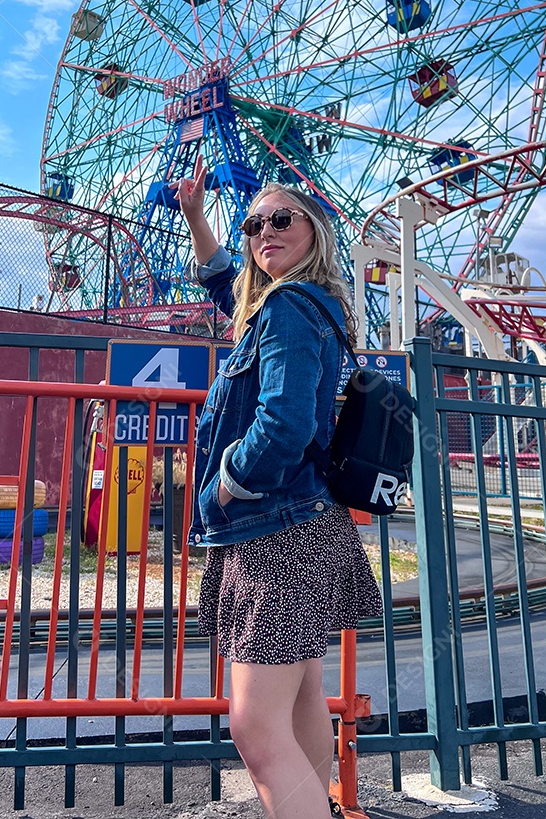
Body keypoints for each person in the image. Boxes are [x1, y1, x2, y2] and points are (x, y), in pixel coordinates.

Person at [175, 154, 382, 819]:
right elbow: (221, 283)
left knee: (255, 728)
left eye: (282, 218)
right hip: (308, 524)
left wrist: (228, 484)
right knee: (297, 705)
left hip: (278, 531)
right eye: (253, 224)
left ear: (315, 230)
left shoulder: (288, 309)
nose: (265, 229)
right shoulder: (304, 304)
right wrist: (199, 218)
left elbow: (285, 422)